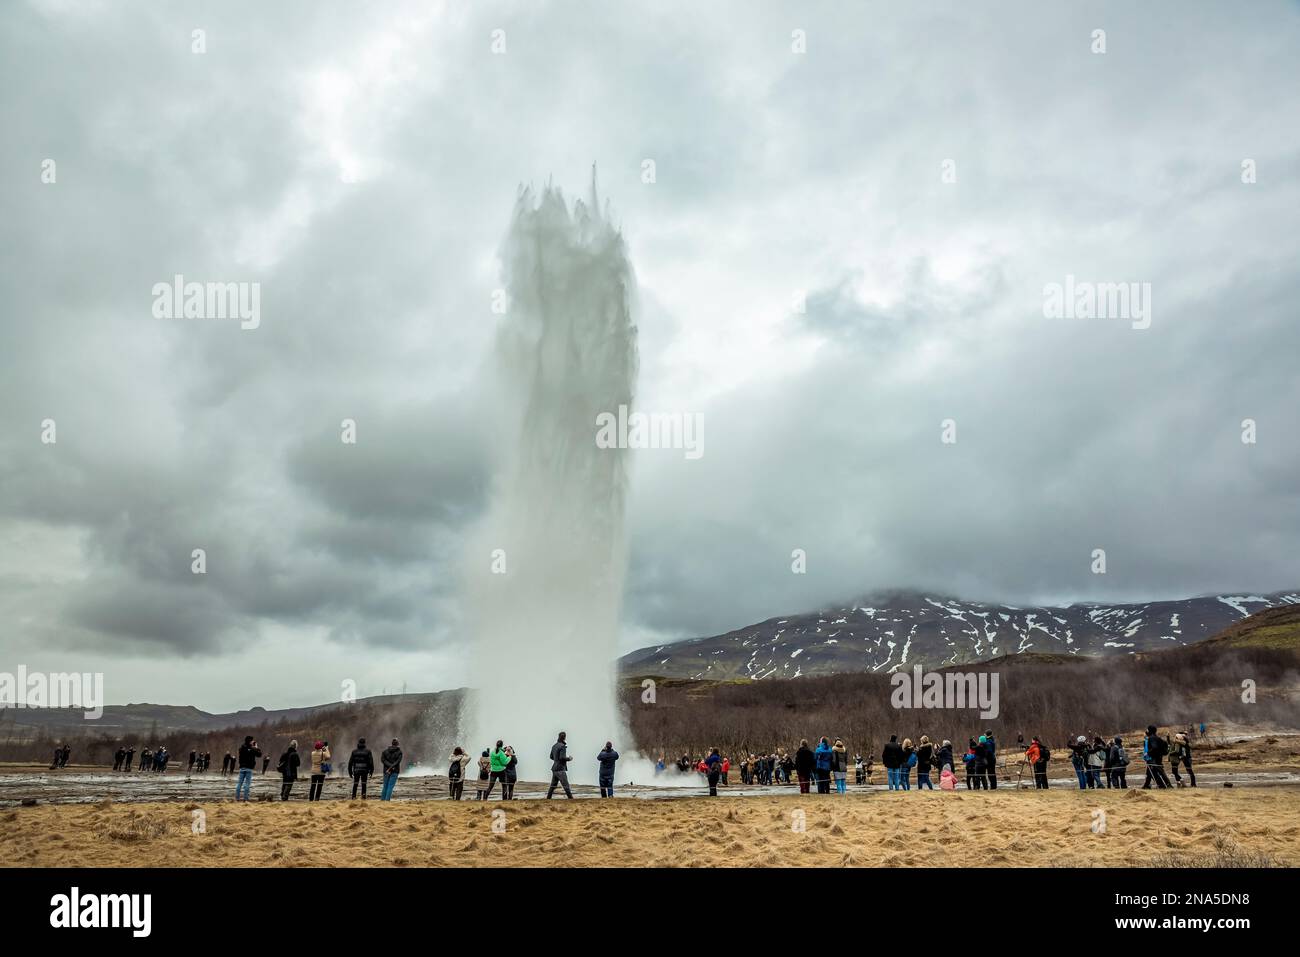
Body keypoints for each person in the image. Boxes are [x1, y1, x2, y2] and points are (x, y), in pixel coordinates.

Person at [547, 731, 574, 799]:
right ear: (564, 737)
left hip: (554, 768)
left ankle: (548, 798)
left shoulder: (554, 746)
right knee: (566, 785)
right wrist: (569, 758)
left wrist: (556, 760)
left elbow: (551, 757)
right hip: (560, 769)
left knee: (553, 786)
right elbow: (562, 758)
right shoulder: (562, 746)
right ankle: (571, 799)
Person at [235, 736, 260, 801]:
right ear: (250, 741)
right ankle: (245, 799)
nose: (253, 742)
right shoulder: (252, 749)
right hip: (249, 768)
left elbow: (240, 755)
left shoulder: (242, 748)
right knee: (247, 784)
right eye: (252, 741)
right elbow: (259, 754)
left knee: (239, 783)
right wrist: (256, 747)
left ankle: (237, 798)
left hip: (242, 767)